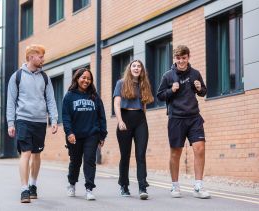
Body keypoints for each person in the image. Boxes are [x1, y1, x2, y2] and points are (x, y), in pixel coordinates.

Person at [157, 45, 210, 199]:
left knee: (200, 149)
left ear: (188, 57)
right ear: (175, 58)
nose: (181, 61)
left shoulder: (195, 73)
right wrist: (171, 91)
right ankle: (175, 186)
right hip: (176, 118)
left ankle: (198, 186)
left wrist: (200, 88)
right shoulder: (168, 76)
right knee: (176, 153)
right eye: (178, 58)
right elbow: (160, 95)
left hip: (194, 117)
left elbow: (204, 92)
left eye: (184, 58)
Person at [6, 44, 58, 203]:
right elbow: (11, 101)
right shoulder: (17, 76)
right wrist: (10, 122)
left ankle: (33, 184)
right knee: (26, 153)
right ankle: (24, 189)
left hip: (40, 121)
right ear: (31, 57)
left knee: (36, 154)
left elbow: (50, 99)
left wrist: (54, 119)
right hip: (23, 120)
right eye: (41, 56)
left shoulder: (45, 77)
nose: (43, 59)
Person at [62, 68, 107, 201]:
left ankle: (89, 188)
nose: (86, 81)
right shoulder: (69, 96)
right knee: (75, 162)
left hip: (91, 134)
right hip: (74, 135)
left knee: (89, 160)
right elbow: (65, 116)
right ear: (77, 78)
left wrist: (102, 135)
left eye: (89, 79)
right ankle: (71, 183)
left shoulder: (94, 96)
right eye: (83, 78)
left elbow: (101, 116)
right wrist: (69, 132)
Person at [113, 59, 154, 200]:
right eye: (134, 66)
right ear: (129, 69)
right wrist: (120, 121)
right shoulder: (121, 83)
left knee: (141, 155)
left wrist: (143, 120)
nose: (136, 68)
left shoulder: (144, 84)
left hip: (140, 120)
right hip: (125, 118)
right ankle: (124, 186)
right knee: (125, 156)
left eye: (139, 67)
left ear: (142, 70)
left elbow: (144, 106)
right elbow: (117, 104)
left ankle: (143, 187)